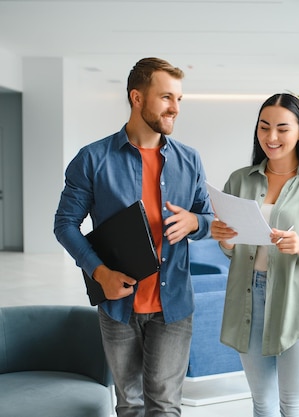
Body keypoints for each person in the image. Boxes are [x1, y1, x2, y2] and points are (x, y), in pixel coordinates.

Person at [54, 57, 213, 417]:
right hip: (117, 305)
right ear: (137, 98)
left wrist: (195, 223)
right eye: (166, 97)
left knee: (165, 405)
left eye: (179, 99)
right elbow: (65, 223)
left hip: (172, 306)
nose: (175, 107)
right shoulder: (92, 159)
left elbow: (208, 218)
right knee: (130, 405)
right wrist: (99, 272)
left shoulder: (190, 160)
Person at [210, 93, 299, 417]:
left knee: (294, 405)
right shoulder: (239, 180)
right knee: (262, 403)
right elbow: (232, 251)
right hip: (248, 298)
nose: (271, 137)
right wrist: (225, 240)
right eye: (264, 127)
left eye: (282, 128)